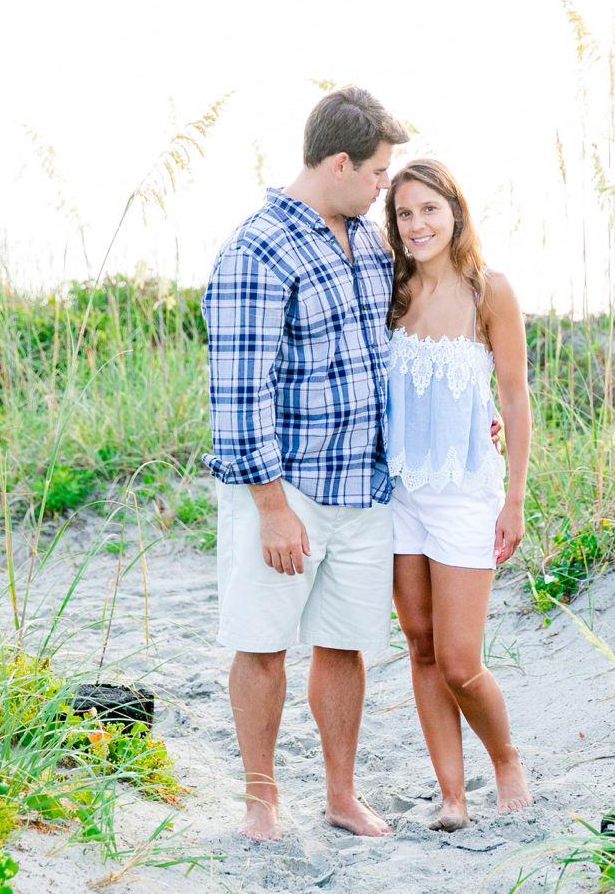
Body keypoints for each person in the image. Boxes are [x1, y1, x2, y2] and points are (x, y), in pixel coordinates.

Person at [202, 86, 409, 841]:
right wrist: (270, 507)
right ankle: (262, 803)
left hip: (364, 482)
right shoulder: (257, 248)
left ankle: (340, 795)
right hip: (286, 488)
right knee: (261, 644)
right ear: (342, 162)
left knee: (345, 644)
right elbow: (237, 390)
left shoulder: (367, 240)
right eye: (381, 172)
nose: (387, 186)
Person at [384, 158, 534, 831]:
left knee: (459, 659)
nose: (416, 225)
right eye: (404, 213)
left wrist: (516, 499)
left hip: (465, 493)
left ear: (455, 211)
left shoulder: (489, 292)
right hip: (395, 494)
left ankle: (504, 760)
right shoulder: (388, 291)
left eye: (428, 210)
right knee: (419, 646)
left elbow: (514, 396)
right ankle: (452, 794)